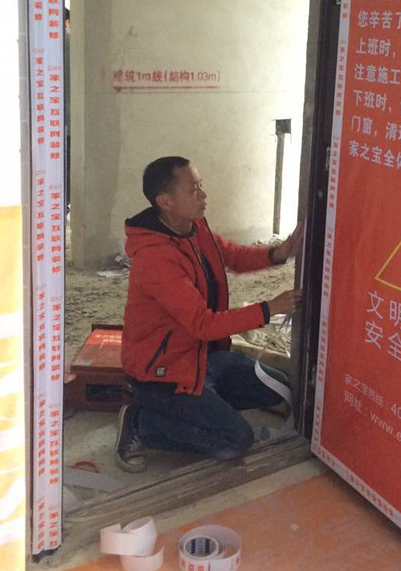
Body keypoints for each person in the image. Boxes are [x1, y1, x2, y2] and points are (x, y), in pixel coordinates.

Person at [116, 155, 303, 472]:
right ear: (165, 202)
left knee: (276, 387)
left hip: (201, 359)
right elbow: (203, 324)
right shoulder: (155, 258)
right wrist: (270, 309)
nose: (203, 195)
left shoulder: (194, 227)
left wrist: (278, 253)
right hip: (165, 376)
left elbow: (232, 255)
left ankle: (201, 407)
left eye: (200, 185)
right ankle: (141, 421)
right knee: (234, 440)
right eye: (193, 190)